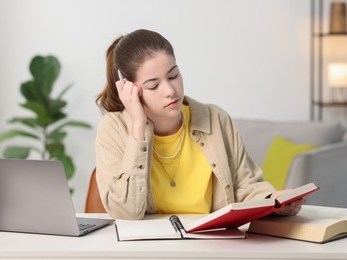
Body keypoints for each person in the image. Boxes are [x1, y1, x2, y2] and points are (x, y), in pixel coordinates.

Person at [95, 29, 304, 220]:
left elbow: (245, 186)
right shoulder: (113, 130)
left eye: (173, 75)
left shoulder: (216, 118)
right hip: (147, 248)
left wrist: (273, 199)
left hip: (212, 243)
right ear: (129, 89)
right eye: (153, 85)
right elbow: (125, 213)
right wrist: (138, 127)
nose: (170, 90)